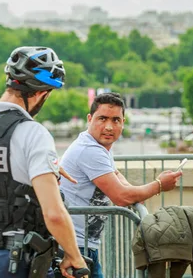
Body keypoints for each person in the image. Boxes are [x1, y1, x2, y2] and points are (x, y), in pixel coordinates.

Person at [0, 46, 88, 278]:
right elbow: (54, 213)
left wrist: (44, 167)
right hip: (17, 258)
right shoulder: (33, 134)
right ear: (41, 93)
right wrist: (74, 256)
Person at [60, 92, 182, 278]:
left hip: (82, 244)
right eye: (102, 119)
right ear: (89, 119)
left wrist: (138, 190)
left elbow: (117, 177)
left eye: (116, 120)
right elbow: (121, 197)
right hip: (74, 247)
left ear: (123, 123)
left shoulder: (97, 146)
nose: (109, 126)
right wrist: (158, 185)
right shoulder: (90, 150)